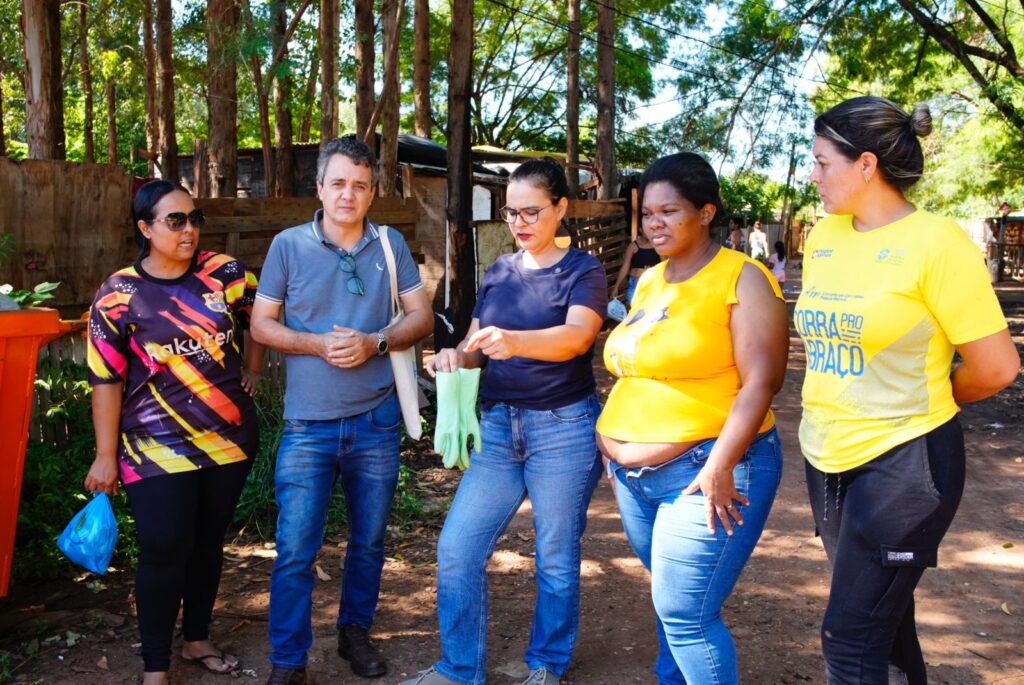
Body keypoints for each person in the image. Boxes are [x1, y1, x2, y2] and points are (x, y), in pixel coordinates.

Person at [800, 96, 1020, 684]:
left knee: (849, 640)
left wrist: (928, 393)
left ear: (866, 164)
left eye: (822, 162)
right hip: (826, 456)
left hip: (905, 462)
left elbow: (996, 368)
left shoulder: (937, 243)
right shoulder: (824, 237)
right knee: (886, 625)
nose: (813, 175)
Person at [403, 158, 606, 685]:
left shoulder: (583, 270)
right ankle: (458, 669)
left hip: (563, 428)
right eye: (511, 212)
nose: (519, 222)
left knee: (556, 555)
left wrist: (515, 343)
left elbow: (578, 337)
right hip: (497, 428)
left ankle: (547, 664)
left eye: (531, 211)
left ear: (561, 208)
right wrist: (454, 357)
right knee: (457, 547)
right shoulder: (498, 271)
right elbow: (475, 344)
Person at [596, 153, 789, 685]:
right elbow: (640, 368)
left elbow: (762, 382)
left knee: (685, 613)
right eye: (647, 214)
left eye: (669, 211)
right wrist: (614, 452)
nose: (654, 224)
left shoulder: (742, 278)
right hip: (635, 478)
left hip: (707, 469)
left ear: (706, 213)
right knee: (673, 601)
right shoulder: (650, 281)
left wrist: (721, 464)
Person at [250, 138, 432, 685]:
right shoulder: (287, 245)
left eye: (359, 185)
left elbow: (421, 317)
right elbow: (261, 325)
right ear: (319, 188)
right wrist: (316, 344)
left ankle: (355, 633)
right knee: (294, 550)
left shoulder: (390, 243)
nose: (348, 194)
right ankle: (289, 660)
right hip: (308, 424)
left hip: (377, 421)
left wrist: (376, 342)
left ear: (372, 191)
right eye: (338, 183)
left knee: (368, 542)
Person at [85, 179, 265, 685]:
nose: (189, 230)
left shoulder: (224, 273)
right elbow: (105, 379)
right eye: (175, 221)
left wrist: (253, 367)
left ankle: (197, 638)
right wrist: (105, 454)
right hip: (153, 443)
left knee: (207, 542)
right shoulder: (118, 294)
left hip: (228, 438)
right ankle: (155, 667)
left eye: (194, 219)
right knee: (164, 547)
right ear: (145, 228)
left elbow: (262, 315)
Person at [611, 232, 661, 305]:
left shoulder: (658, 246)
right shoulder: (633, 246)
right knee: (634, 308)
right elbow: (625, 267)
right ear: (641, 229)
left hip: (653, 284)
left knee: (651, 309)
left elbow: (665, 264)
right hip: (635, 284)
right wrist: (616, 286)